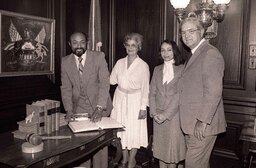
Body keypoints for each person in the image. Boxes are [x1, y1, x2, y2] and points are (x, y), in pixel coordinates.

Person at [178, 16, 227, 168]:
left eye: (191, 31)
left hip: (202, 125)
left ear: (202, 31)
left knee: (193, 164)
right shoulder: (194, 55)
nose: (186, 35)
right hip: (191, 123)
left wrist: (202, 121)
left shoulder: (210, 53)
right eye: (183, 32)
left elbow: (213, 92)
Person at [61, 32, 112, 168]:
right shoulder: (65, 62)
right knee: (81, 147)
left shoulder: (98, 57)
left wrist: (100, 107)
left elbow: (104, 83)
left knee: (99, 145)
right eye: (75, 42)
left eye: (82, 42)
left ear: (87, 43)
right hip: (79, 108)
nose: (79, 46)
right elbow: (66, 88)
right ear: (69, 44)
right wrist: (69, 110)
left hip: (99, 105)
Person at [110, 33, 150, 168]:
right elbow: (111, 80)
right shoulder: (120, 62)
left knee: (133, 130)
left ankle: (132, 160)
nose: (130, 48)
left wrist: (143, 107)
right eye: (128, 45)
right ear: (125, 47)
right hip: (120, 99)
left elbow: (146, 88)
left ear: (139, 47)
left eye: (134, 45)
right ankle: (124, 158)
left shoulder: (143, 65)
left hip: (135, 101)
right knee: (121, 130)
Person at [149, 40, 186, 168]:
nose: (166, 53)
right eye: (163, 50)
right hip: (158, 117)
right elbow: (152, 93)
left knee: (172, 153)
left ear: (174, 51)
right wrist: (154, 113)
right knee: (161, 151)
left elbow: (179, 95)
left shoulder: (182, 68)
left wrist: (165, 115)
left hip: (174, 116)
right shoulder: (157, 69)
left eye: (169, 50)